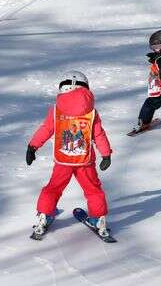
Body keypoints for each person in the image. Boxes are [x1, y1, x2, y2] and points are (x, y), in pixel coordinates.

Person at [26, 70, 113, 238]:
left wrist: (32, 147)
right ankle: (98, 219)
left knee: (53, 188)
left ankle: (44, 215)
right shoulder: (92, 112)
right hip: (85, 162)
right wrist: (106, 154)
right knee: (93, 190)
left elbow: (46, 129)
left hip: (63, 161)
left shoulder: (56, 110)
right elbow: (99, 134)